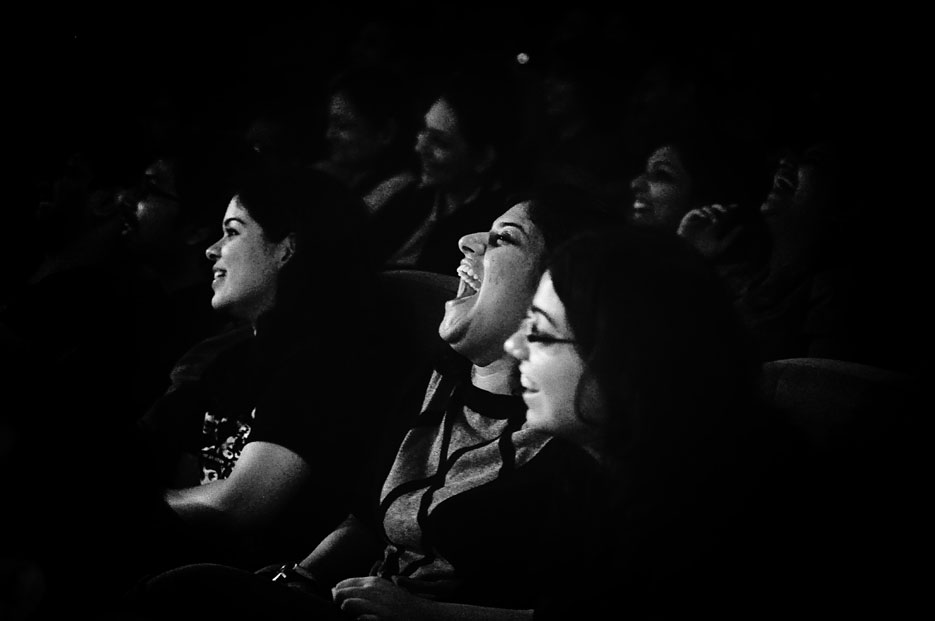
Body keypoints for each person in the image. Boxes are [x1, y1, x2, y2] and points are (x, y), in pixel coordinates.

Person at [121, 185, 616, 620]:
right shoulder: (437, 378)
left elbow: (576, 613)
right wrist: (305, 577)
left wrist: (426, 614)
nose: (468, 241)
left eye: (504, 238)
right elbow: (365, 518)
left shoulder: (580, 438)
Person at [22, 155, 381, 618]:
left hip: (245, 584)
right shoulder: (231, 359)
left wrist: (117, 503)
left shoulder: (330, 362)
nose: (213, 251)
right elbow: (154, 453)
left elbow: (240, 504)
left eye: (232, 231)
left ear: (287, 247)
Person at [503, 226, 815, 618]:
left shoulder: (723, 522)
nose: (513, 346)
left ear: (627, 359)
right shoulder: (591, 466)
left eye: (541, 333)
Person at [371, 61, 526, 273]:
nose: (419, 147)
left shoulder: (489, 233)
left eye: (440, 142)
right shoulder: (409, 194)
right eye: (423, 130)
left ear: (483, 159)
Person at [311, 64, 419, 216]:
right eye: (330, 124)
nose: (329, 135)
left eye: (343, 126)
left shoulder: (401, 198)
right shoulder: (340, 179)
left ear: (385, 132)